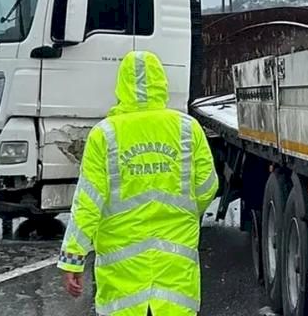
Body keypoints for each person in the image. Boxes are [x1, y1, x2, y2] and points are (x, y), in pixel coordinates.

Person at [58, 50, 219, 316]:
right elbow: (207, 188)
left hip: (123, 276)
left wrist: (73, 259)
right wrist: (182, 215)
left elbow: (88, 202)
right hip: (175, 270)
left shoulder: (105, 135)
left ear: (121, 85)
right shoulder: (187, 129)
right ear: (162, 83)